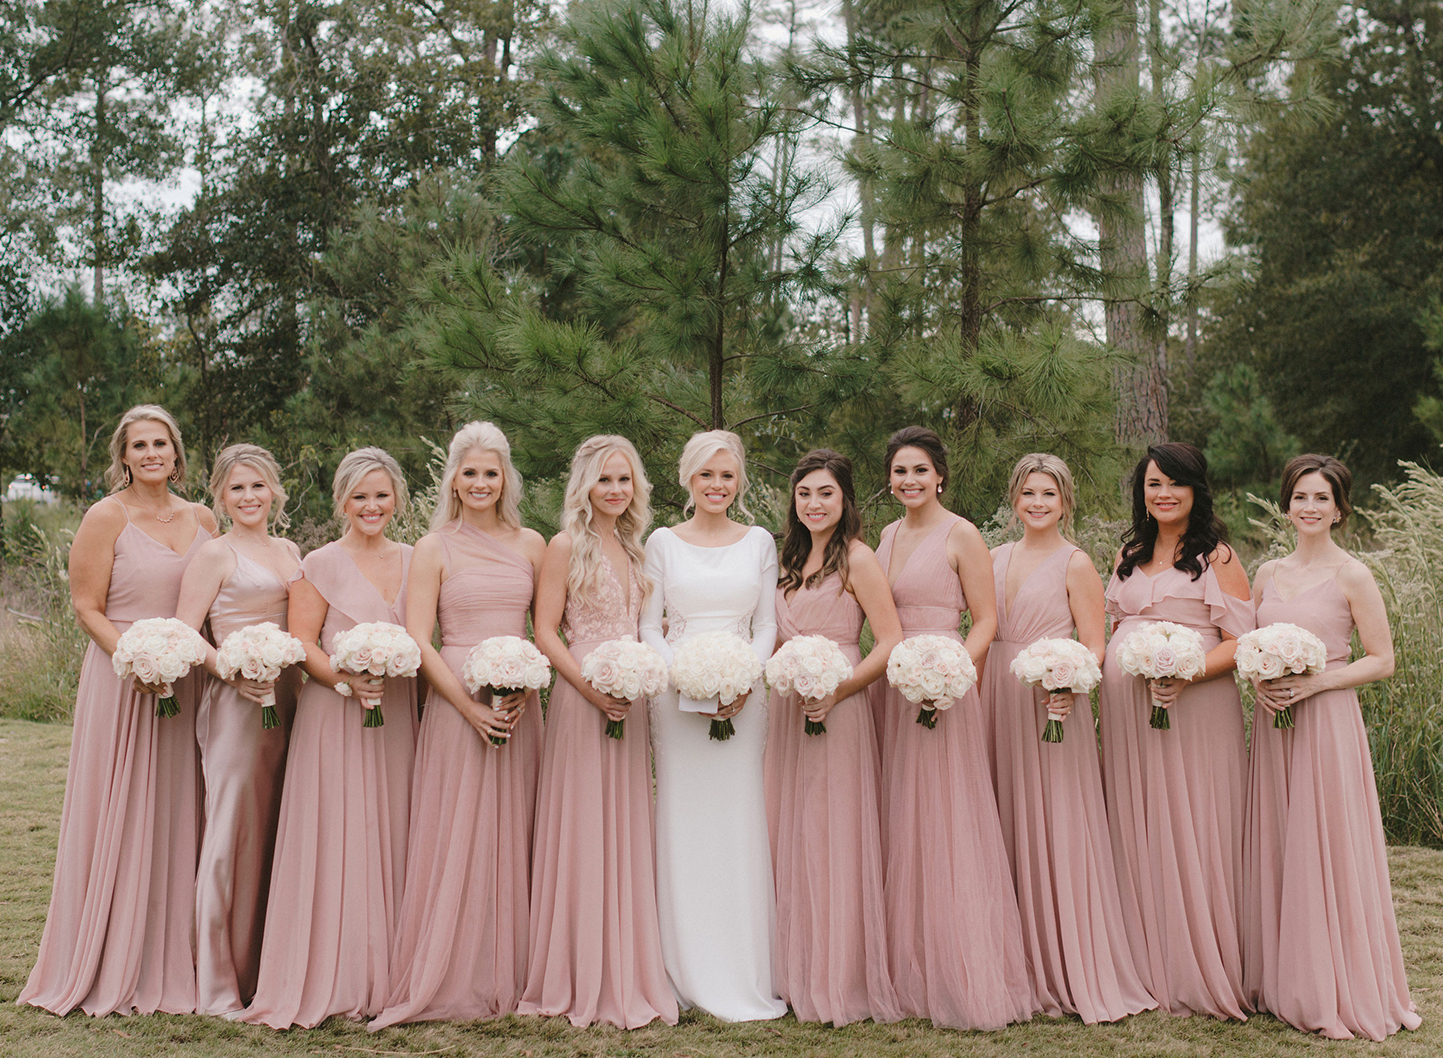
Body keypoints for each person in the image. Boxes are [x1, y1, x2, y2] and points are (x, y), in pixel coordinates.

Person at [19, 405, 215, 1017]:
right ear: (124, 456)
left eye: (161, 442)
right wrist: (138, 660)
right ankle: (110, 951)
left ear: (177, 453)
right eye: (139, 445)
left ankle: (179, 953)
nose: (152, 453)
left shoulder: (204, 517)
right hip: (123, 677)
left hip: (187, 682)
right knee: (121, 807)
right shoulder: (105, 516)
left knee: (182, 807)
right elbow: (86, 607)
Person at [371, 422, 546, 1029]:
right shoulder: (433, 547)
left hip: (522, 705)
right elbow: (420, 639)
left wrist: (524, 682)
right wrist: (469, 706)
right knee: (459, 830)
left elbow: (543, 629)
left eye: (490, 473)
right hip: (455, 699)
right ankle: (452, 968)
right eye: (469, 473)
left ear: (506, 479)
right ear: (452, 478)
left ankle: (519, 967)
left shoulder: (532, 544)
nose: (479, 483)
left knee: (517, 827)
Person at [1242, 454, 1420, 1040]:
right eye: (1299, 497)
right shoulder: (1266, 572)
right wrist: (1261, 680)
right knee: (1278, 838)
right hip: (1273, 726)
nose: (1309, 507)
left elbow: (1383, 659)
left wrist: (1315, 682)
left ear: (1339, 509)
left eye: (1321, 498)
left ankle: (1332, 983)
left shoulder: (1353, 575)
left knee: (1326, 843)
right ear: (1287, 504)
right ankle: (1280, 975)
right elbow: (1247, 645)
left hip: (1327, 721)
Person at [244, 447, 419, 1029]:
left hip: (397, 717)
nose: (371, 506)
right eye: (359, 496)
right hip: (335, 714)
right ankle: (332, 968)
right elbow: (304, 643)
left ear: (396, 498)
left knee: (391, 828)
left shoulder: (418, 560)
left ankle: (391, 970)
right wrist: (348, 681)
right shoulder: (317, 562)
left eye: (381, 494)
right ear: (342, 500)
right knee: (339, 830)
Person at [981, 453, 1155, 1023]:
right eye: (1028, 493)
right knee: (1002, 820)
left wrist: (1070, 683)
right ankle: (1013, 962)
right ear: (1014, 499)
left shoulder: (1076, 562)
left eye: (1048, 495)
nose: (1037, 503)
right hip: (997, 699)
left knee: (1057, 822)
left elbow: (1094, 642)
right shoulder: (994, 557)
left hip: (1054, 701)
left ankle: (1066, 963)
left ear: (1065, 502)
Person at [871, 426, 1035, 1030]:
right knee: (903, 811)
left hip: (945, 681)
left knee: (947, 814)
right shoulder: (886, 535)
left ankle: (962, 964)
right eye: (898, 472)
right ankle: (907, 963)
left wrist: (952, 675)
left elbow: (987, 619)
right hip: (896, 681)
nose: (908, 481)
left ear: (940, 475)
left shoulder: (962, 534)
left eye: (919, 471)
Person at [518, 435, 676, 1028]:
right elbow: (546, 631)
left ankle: (627, 963)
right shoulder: (565, 545)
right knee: (583, 822)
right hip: (583, 697)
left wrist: (637, 679)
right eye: (605, 479)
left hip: (630, 697)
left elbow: (646, 626)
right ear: (585, 484)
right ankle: (577, 968)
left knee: (627, 821)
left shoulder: (637, 550)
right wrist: (589, 687)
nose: (615, 490)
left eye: (625, 480)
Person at [1098, 442, 1253, 1019]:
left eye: (1175, 483)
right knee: (1138, 823)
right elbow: (1113, 625)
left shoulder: (1220, 557)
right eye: (1152, 483)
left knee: (1193, 822)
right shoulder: (1127, 553)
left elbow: (1241, 644)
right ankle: (1141, 959)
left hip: (1197, 711)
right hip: (1127, 716)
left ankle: (1198, 962)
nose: (1162, 494)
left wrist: (1188, 673)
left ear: (1196, 490)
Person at [639, 429, 787, 1022]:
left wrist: (743, 679)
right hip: (676, 697)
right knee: (684, 817)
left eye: (727, 476)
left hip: (744, 695)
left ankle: (744, 966)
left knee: (739, 815)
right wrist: (685, 678)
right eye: (706, 475)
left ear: (740, 481)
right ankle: (684, 964)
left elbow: (767, 625)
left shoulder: (759, 542)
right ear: (687, 480)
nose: (717, 486)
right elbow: (650, 626)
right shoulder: (662, 543)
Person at [762, 449, 901, 1026]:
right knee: (788, 827)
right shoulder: (784, 558)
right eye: (805, 494)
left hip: (840, 705)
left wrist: (839, 691)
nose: (814, 504)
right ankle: (788, 969)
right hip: (786, 708)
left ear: (845, 500)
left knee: (833, 831)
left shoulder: (859, 560)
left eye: (825, 494)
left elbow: (890, 640)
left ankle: (838, 972)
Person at [174, 444, 302, 1016]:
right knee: (231, 833)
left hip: (291, 701)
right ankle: (218, 983)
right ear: (220, 497)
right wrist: (229, 667)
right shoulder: (214, 553)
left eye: (258, 486)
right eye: (236, 488)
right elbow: (186, 631)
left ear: (275, 490)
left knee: (279, 830)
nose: (249, 497)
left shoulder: (291, 550)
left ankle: (266, 971)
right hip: (236, 706)